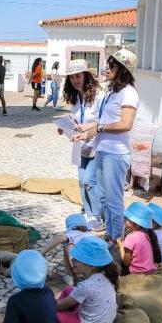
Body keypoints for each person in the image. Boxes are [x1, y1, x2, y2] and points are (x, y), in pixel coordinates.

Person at [76, 49, 140, 243]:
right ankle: (110, 236)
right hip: (103, 151)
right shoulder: (112, 91)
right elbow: (104, 119)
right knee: (104, 198)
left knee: (114, 201)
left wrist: (99, 128)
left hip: (116, 154)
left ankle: (117, 240)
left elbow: (125, 124)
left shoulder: (128, 93)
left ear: (122, 69)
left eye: (111, 65)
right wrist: (88, 128)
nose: (106, 68)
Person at [59, 59, 104, 230]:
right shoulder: (76, 98)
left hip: (96, 144)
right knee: (81, 182)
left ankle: (97, 218)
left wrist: (89, 127)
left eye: (78, 76)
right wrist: (66, 128)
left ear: (86, 76)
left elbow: (104, 121)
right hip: (80, 146)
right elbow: (77, 120)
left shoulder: (99, 96)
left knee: (89, 181)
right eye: (72, 78)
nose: (75, 80)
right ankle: (88, 213)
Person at [55, 237, 119, 323]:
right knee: (69, 289)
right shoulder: (105, 275)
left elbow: (59, 305)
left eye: (77, 259)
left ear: (92, 266)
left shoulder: (86, 286)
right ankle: (67, 307)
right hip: (104, 320)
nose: (72, 261)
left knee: (53, 314)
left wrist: (49, 301)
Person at [38, 213, 91, 282]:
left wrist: (42, 252)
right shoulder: (89, 234)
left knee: (66, 244)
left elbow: (59, 239)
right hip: (94, 262)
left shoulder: (72, 233)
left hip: (79, 263)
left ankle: (72, 275)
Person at [119, 202, 161, 275]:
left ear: (134, 222)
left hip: (138, 273)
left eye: (126, 218)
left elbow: (126, 262)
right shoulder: (147, 233)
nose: (124, 219)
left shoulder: (130, 237)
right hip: (152, 270)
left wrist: (120, 246)